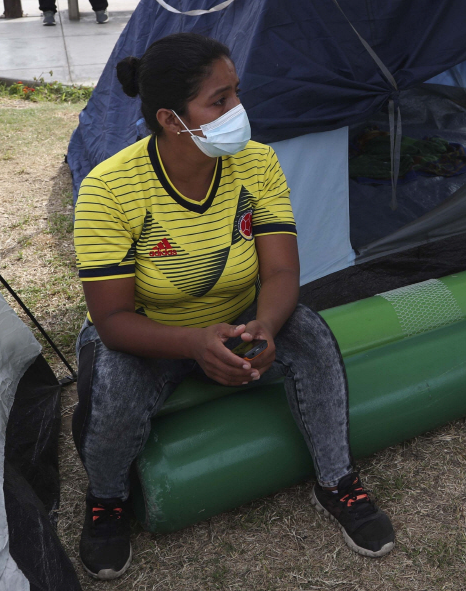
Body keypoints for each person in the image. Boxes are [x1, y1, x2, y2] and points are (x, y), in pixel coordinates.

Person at [71, 33, 396, 580]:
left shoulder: (257, 165)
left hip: (242, 319)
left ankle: (337, 481)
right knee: (117, 378)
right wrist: (192, 344)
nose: (238, 111)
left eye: (236, 94)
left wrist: (265, 327)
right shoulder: (109, 190)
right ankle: (107, 501)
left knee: (312, 337)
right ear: (173, 120)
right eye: (219, 101)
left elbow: (281, 272)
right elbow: (112, 321)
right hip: (148, 334)